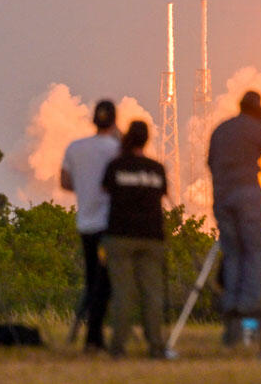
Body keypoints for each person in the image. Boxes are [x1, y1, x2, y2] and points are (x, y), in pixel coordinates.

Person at [207, 90, 261, 345]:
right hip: (248, 197)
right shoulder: (255, 128)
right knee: (254, 255)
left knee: (233, 256)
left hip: (221, 197)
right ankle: (249, 323)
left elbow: (210, 162)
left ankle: (231, 323)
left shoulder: (222, 129)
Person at [101, 120, 170, 359]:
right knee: (152, 294)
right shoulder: (156, 168)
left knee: (123, 293)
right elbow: (161, 194)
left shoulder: (116, 166)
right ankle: (156, 347)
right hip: (151, 237)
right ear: (146, 140)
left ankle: (118, 347)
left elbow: (105, 190)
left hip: (120, 236)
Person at [60, 99, 119, 352]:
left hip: (85, 224)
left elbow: (64, 182)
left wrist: (85, 189)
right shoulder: (117, 149)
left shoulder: (75, 148)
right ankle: (94, 336)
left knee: (92, 278)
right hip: (109, 225)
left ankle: (90, 334)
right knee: (106, 282)